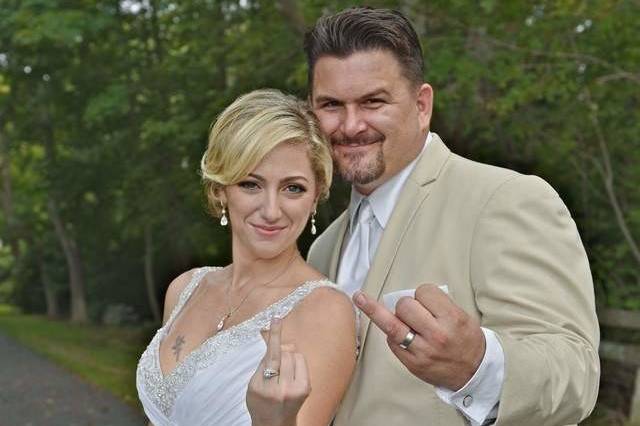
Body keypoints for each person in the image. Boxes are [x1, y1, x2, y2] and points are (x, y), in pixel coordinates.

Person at [305, 7, 600, 426]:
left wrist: (477, 367)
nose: (351, 125)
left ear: (422, 106)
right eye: (331, 105)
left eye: (373, 101)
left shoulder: (506, 199)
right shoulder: (323, 248)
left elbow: (576, 374)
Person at [136, 89, 357, 426]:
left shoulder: (324, 312)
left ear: (315, 197)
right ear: (220, 189)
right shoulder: (184, 289)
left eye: (293, 188)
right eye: (251, 184)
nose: (271, 210)